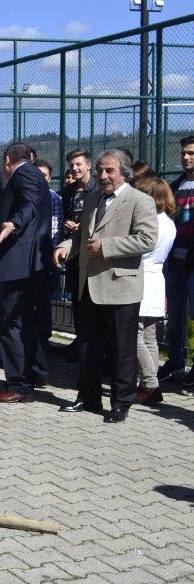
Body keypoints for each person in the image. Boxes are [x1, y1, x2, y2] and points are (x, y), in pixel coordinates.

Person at [55, 150, 158, 422]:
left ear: (124, 172)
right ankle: (88, 397)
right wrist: (65, 247)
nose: (102, 176)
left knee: (122, 349)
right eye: (100, 170)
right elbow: (83, 237)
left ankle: (121, 402)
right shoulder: (92, 199)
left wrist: (107, 247)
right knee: (88, 346)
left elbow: (147, 240)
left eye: (109, 171)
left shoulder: (140, 201)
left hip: (121, 286)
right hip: (89, 284)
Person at [0, 143, 53, 403]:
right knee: (24, 323)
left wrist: (14, 222)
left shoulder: (25, 174)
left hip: (19, 264)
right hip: (26, 262)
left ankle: (18, 386)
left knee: (11, 324)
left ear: (7, 160)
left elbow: (28, 204)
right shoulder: (31, 174)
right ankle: (33, 374)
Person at [132, 177, 177, 405]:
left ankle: (150, 384)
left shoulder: (152, 222)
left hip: (143, 278)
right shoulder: (168, 221)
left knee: (134, 335)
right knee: (149, 337)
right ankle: (149, 382)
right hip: (156, 279)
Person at [59, 149, 98, 360]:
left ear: (88, 166)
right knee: (76, 298)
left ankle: (94, 347)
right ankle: (80, 341)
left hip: (93, 251)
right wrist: (67, 224)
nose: (75, 168)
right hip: (73, 252)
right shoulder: (68, 191)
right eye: (72, 165)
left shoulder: (98, 189)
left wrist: (85, 226)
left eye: (79, 164)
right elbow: (64, 215)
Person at [161, 135, 194, 384]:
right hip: (175, 261)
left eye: (191, 153)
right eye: (184, 152)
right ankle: (175, 361)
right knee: (175, 314)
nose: (186, 157)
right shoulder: (175, 187)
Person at [34, 160, 63, 360]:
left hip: (45, 260)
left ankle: (42, 348)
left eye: (44, 175)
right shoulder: (26, 196)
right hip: (26, 260)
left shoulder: (55, 199)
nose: (40, 179)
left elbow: (56, 230)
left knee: (43, 305)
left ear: (50, 178)